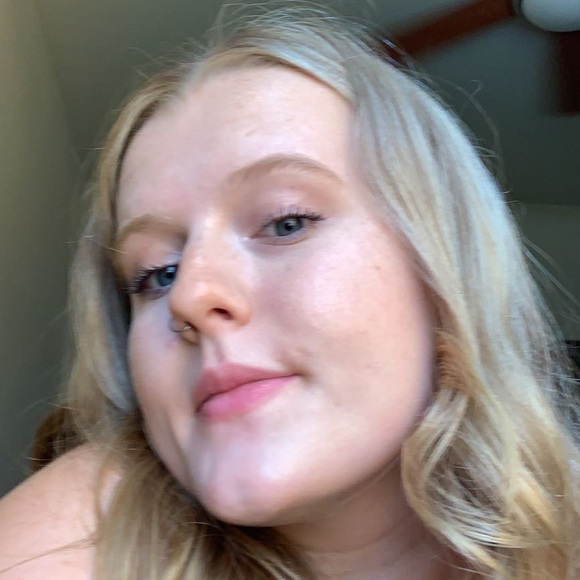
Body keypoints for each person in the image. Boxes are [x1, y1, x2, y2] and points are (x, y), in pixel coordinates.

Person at [0, 5, 578, 579]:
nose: (190, 297)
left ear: (441, 270)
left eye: (285, 222)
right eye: (158, 274)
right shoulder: (66, 544)